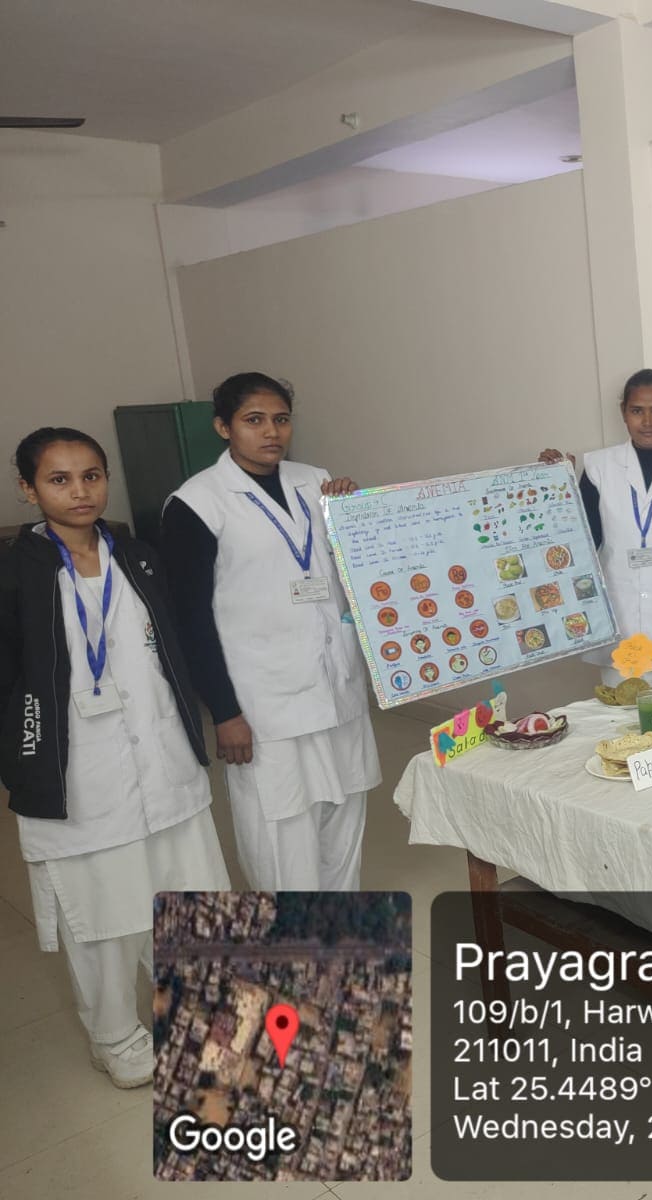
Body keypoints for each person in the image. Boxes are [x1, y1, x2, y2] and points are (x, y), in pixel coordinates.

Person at [1, 428, 230, 1088]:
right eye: (60, 479)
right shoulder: (16, 574)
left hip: (163, 758)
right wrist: (20, 757)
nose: (80, 491)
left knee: (188, 896)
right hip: (78, 772)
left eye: (92, 476)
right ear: (28, 488)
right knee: (103, 913)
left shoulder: (137, 556)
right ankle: (115, 1037)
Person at [163, 372, 377, 891]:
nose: (271, 432)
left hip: (337, 688)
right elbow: (190, 620)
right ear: (223, 427)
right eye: (253, 420)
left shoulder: (316, 481)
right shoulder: (197, 503)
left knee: (344, 819)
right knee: (281, 834)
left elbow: (354, 568)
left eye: (281, 419)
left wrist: (352, 512)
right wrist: (224, 712)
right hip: (265, 704)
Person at [540, 369, 652, 680]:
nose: (647, 421)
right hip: (621, 628)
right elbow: (582, 543)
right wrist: (558, 489)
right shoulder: (598, 467)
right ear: (624, 413)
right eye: (637, 411)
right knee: (622, 710)